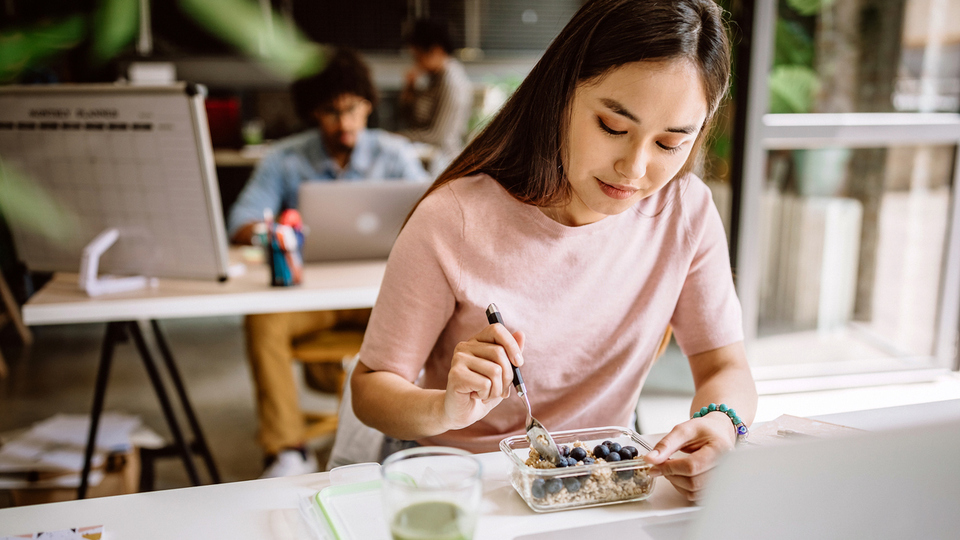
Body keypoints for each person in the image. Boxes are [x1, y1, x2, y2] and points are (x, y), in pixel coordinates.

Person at [351, 0, 757, 502]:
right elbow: (370, 389)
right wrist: (445, 408)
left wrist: (721, 425)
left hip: (601, 482)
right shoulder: (453, 217)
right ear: (562, 92)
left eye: (670, 143)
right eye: (613, 127)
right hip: (462, 482)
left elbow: (724, 368)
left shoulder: (686, 211)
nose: (634, 168)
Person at [228, 47, 429, 478]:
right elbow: (240, 223)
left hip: (379, 298)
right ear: (313, 112)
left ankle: (406, 436)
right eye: (331, 112)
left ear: (368, 105)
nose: (344, 123)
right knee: (262, 319)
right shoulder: (284, 159)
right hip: (311, 299)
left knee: (430, 315)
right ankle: (286, 451)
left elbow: (435, 216)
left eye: (352, 109)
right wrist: (276, 232)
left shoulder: (394, 155)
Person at [398, 19, 473, 175]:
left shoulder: (450, 81)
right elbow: (409, 118)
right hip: (426, 156)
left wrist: (393, 137)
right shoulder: (434, 78)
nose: (416, 62)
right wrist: (409, 88)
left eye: (418, 56)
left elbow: (438, 137)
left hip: (442, 163)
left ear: (436, 51)